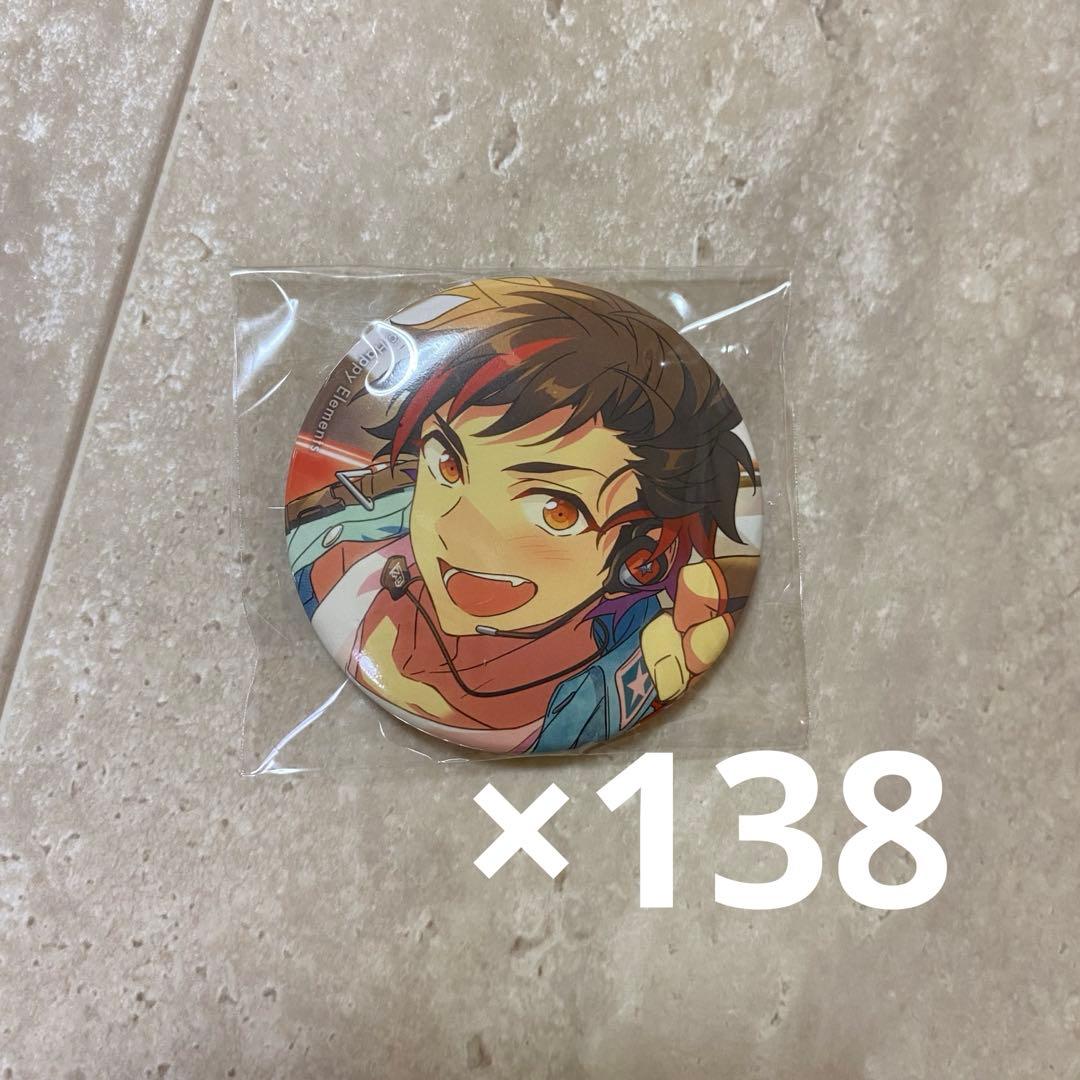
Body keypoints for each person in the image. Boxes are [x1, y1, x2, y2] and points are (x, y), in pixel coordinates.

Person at [287, 277, 760, 753]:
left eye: (556, 510)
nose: (459, 533)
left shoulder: (617, 682)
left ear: (640, 556)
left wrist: (636, 684)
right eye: (448, 464)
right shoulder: (334, 565)